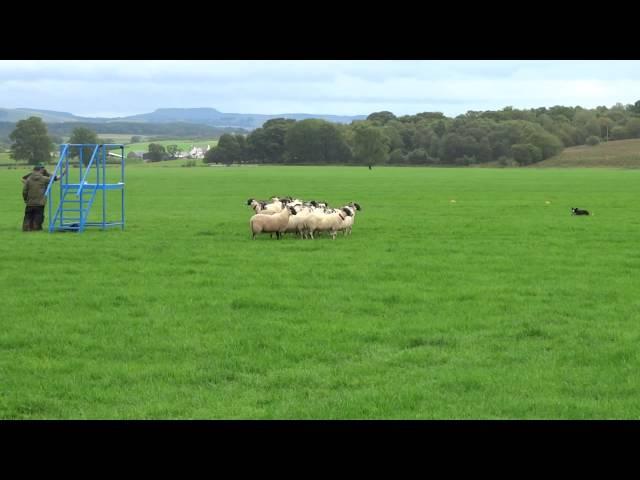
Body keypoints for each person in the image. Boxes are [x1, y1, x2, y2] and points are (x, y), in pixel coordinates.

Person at [22, 165, 62, 231]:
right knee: (39, 216)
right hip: (40, 202)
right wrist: (51, 174)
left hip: (30, 202)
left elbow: (24, 191)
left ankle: (26, 228)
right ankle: (36, 228)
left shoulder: (28, 179)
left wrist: (25, 199)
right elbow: (52, 179)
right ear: (40, 170)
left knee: (28, 216)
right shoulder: (44, 178)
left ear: (33, 170)